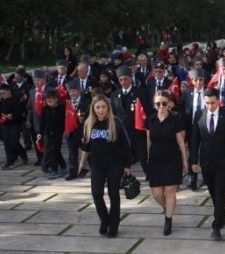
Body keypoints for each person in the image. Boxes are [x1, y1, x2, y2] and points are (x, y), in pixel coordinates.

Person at [189, 87, 225, 241]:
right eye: (207, 103)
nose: (210, 106)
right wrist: (193, 161)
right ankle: (222, 215)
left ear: (218, 101)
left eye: (212, 102)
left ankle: (216, 225)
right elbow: (194, 140)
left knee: (220, 192)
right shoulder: (199, 115)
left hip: (223, 161)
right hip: (206, 161)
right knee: (213, 192)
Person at [78, 95, 133, 238]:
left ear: (108, 107)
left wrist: (127, 165)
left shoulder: (115, 122)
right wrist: (81, 163)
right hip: (97, 164)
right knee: (96, 194)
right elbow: (86, 147)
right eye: (98, 107)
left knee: (113, 194)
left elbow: (125, 145)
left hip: (115, 163)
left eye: (103, 107)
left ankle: (113, 225)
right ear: (93, 109)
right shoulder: (89, 123)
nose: (101, 110)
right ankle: (105, 220)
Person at [145, 90, 188, 236]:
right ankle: (167, 207)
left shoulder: (176, 118)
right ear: (154, 104)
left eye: (164, 103)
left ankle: (168, 221)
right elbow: (148, 140)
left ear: (169, 104)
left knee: (170, 191)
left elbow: (180, 141)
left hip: (172, 158)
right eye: (158, 104)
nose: (161, 106)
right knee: (157, 193)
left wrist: (185, 160)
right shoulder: (150, 120)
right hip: (156, 159)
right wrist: (147, 157)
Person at [0, 84, 28, 170]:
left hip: (15, 124)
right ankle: (9, 161)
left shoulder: (16, 100)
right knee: (7, 143)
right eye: (1, 94)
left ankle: (22, 154)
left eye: (4, 93)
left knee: (14, 142)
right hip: (5, 124)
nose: (2, 95)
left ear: (9, 91)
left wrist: (13, 115)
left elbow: (21, 112)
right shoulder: (0, 100)